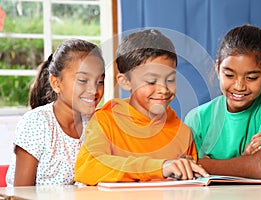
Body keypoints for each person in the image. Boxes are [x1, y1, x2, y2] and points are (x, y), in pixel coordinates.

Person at [74, 29, 209, 185]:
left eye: (170, 79)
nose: (163, 89)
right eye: (151, 81)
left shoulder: (183, 132)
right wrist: (160, 167)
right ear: (125, 81)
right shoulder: (105, 121)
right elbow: (87, 167)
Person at [184, 24, 261, 180]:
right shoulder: (197, 118)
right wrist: (245, 160)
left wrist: (204, 163)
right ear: (217, 69)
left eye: (251, 78)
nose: (239, 86)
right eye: (229, 75)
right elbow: (191, 173)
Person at [6, 39, 105, 186]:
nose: (94, 90)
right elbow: (21, 193)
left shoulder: (97, 123)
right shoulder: (37, 123)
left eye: (100, 81)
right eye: (83, 80)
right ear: (56, 83)